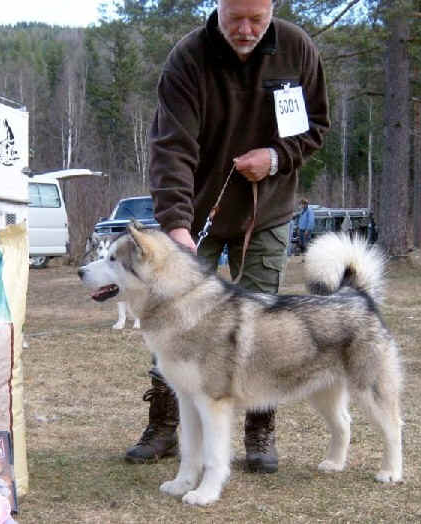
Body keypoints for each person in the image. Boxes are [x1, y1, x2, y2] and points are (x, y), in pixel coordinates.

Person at [125, 0, 330, 473]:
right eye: (233, 17)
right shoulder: (189, 58)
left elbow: (314, 126)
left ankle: (259, 433)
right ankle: (164, 427)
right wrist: (176, 225)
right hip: (197, 217)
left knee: (263, 325)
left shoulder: (296, 49)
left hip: (269, 210)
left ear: (271, 10)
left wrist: (277, 157)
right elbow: (171, 148)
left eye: (256, 19)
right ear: (216, 8)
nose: (244, 29)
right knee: (175, 320)